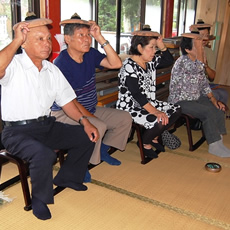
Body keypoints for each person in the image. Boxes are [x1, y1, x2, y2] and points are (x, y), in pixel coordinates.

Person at [0, 17, 99, 220]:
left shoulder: (52, 69)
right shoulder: (13, 65)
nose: (47, 43)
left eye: (48, 38)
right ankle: (40, 200)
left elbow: (68, 103)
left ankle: (68, 177)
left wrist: (85, 122)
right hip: (16, 131)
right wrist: (16, 40)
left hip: (46, 126)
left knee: (86, 136)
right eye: (39, 39)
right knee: (44, 155)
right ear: (24, 42)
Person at [51, 13, 132, 180]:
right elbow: (70, 102)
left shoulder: (90, 54)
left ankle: (102, 152)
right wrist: (91, 118)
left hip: (90, 107)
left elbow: (116, 63)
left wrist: (99, 37)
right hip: (64, 113)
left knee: (124, 118)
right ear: (67, 39)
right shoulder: (61, 64)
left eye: (88, 35)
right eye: (81, 35)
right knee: (99, 126)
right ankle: (83, 163)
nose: (87, 39)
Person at [116, 29, 181, 158]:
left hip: (148, 102)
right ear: (140, 48)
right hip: (131, 106)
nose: (154, 51)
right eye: (151, 47)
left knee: (176, 110)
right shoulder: (129, 66)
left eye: (155, 47)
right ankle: (144, 143)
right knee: (159, 120)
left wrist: (161, 44)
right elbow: (137, 95)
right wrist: (156, 111)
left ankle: (154, 137)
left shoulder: (150, 62)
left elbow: (168, 60)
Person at [168, 33, 230, 157]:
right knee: (208, 112)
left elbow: (204, 84)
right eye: (197, 46)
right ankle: (214, 146)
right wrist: (201, 53)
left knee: (217, 108)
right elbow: (198, 67)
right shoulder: (183, 62)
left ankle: (218, 141)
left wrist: (213, 100)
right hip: (180, 101)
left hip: (195, 97)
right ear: (187, 49)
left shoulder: (196, 62)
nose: (201, 48)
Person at [190, 19, 229, 106]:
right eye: (202, 35)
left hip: (206, 85)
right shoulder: (189, 51)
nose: (205, 38)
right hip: (193, 87)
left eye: (206, 35)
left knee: (224, 93)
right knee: (215, 95)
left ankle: (218, 115)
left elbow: (212, 77)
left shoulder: (209, 52)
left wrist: (206, 66)